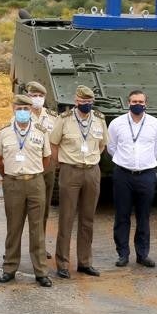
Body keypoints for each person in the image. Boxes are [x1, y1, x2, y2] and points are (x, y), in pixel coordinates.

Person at [0, 95, 53, 287]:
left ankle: (41, 271)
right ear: (13, 109)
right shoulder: (4, 132)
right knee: (14, 227)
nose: (23, 112)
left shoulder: (41, 131)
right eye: (19, 109)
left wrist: (33, 173)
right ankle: (9, 268)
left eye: (26, 109)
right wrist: (9, 176)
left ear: (30, 110)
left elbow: (46, 159)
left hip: (35, 182)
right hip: (13, 183)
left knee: (37, 229)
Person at [49, 85, 107, 279]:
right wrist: (61, 165)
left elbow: (102, 145)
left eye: (89, 102)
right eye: (82, 102)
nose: (86, 105)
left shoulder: (99, 119)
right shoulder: (64, 119)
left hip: (91, 170)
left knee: (87, 219)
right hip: (70, 170)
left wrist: (90, 160)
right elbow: (53, 143)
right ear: (76, 101)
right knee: (66, 218)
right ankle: (63, 264)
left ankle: (85, 262)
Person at [106, 90, 157, 268]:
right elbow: (111, 147)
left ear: (146, 103)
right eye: (133, 101)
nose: (137, 104)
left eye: (140, 101)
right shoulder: (117, 123)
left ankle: (142, 254)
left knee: (143, 216)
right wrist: (126, 161)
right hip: (123, 174)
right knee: (122, 216)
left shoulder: (155, 124)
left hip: (146, 175)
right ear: (128, 103)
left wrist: (142, 163)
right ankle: (123, 254)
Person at [23, 81, 59, 254]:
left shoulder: (53, 117)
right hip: (26, 167)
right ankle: (13, 248)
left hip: (47, 168)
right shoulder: (21, 115)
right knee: (19, 211)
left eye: (40, 96)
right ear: (28, 97)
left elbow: (58, 141)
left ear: (44, 98)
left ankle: (39, 246)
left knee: (43, 209)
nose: (37, 99)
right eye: (33, 96)